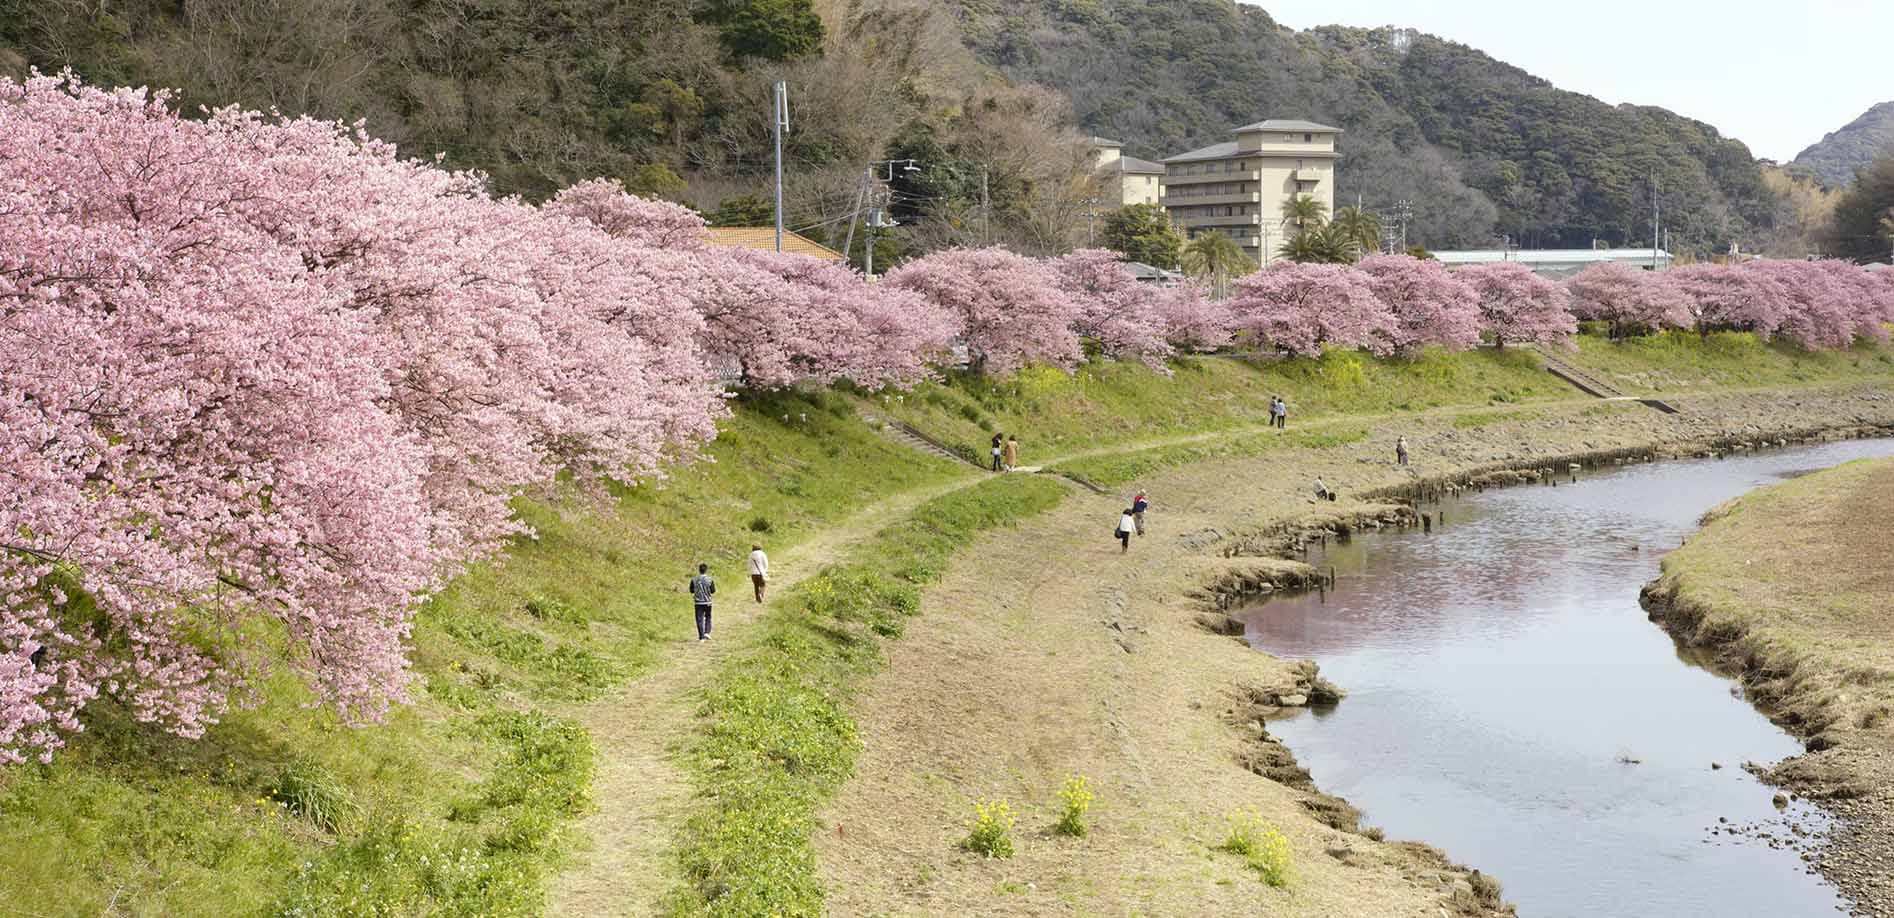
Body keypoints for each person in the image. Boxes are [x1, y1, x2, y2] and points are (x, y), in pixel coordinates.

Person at [689, 563, 716, 641]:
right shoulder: (710, 579)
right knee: (708, 617)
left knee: (699, 619)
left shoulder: (694, 579)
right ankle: (707, 632)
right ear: (706, 570)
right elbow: (713, 591)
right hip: (708, 601)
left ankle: (701, 636)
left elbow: (691, 590)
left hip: (698, 602)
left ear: (699, 570)